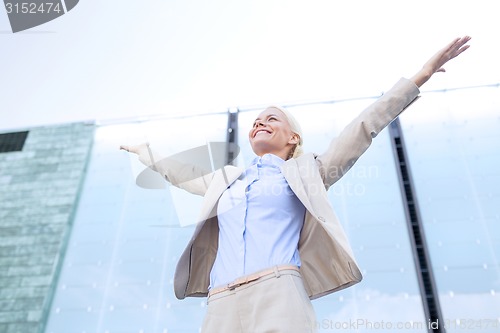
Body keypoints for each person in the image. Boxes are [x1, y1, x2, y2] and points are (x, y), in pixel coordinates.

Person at [120, 36, 471, 333]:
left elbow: (363, 128)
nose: (260, 123)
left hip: (279, 293)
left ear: (293, 138)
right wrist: (146, 153)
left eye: (272, 119)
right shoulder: (227, 182)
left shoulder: (308, 172)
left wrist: (419, 77)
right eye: (256, 121)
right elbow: (181, 173)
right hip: (220, 302)